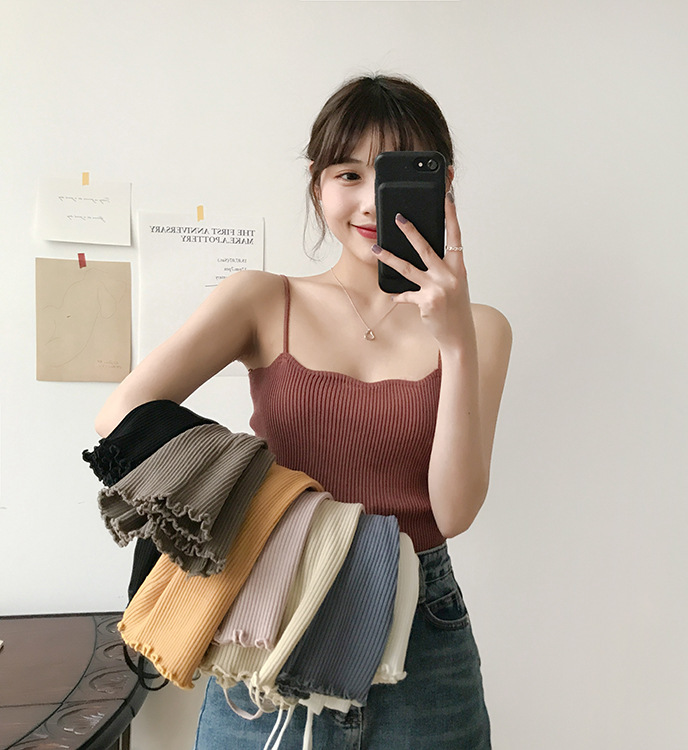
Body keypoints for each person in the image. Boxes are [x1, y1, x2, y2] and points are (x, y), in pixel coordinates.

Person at [96, 73, 512, 750]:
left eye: (395, 175)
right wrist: (254, 496)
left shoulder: (482, 329)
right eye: (348, 174)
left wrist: (455, 342)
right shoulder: (262, 299)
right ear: (318, 186)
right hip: (272, 610)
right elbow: (123, 412)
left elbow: (453, 512)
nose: (370, 200)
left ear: (444, 186)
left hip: (421, 626)